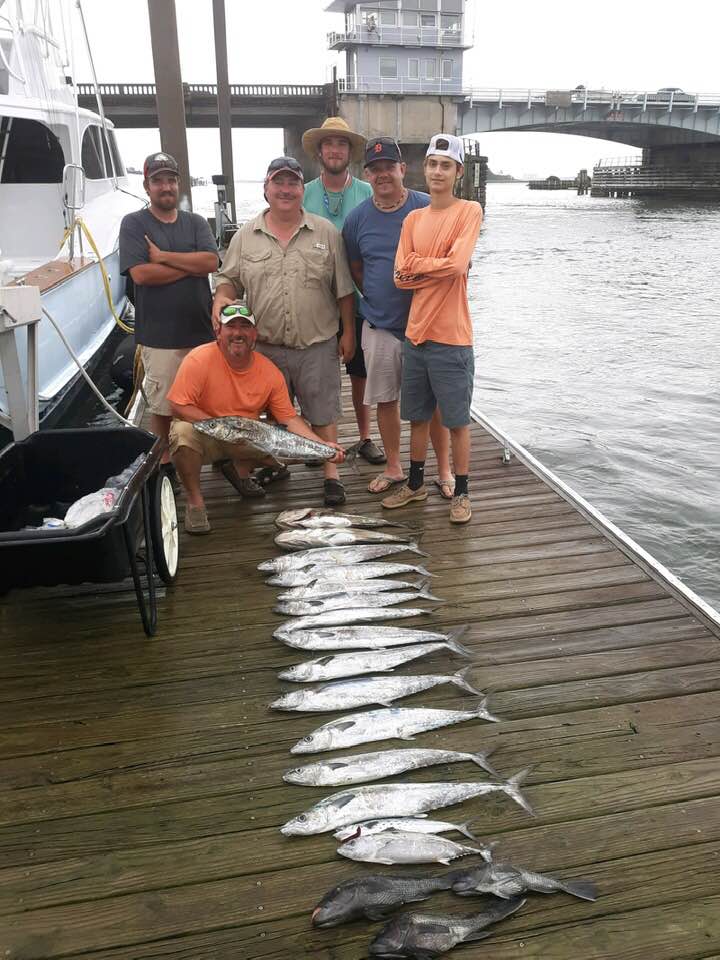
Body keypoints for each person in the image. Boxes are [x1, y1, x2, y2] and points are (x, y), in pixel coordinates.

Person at [212, 156, 355, 506]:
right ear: (266, 189)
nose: (286, 190)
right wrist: (220, 301)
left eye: (293, 183)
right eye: (279, 183)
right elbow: (229, 280)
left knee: (323, 412)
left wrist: (348, 332)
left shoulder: (326, 232)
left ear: (302, 190)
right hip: (267, 348)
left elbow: (344, 290)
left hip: (318, 343)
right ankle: (271, 464)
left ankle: (331, 474)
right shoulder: (246, 236)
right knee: (266, 416)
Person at [167, 302, 344, 534]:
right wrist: (217, 426)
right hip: (206, 434)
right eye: (231, 327)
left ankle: (239, 473)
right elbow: (177, 404)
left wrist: (322, 445)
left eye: (244, 327)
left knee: (277, 443)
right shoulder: (198, 359)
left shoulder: (269, 372)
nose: (238, 333)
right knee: (181, 434)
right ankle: (195, 503)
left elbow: (289, 418)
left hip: (244, 438)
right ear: (218, 332)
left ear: (254, 335)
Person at [342, 137, 455, 499]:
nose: (383, 175)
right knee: (386, 399)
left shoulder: (429, 207)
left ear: (403, 169)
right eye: (375, 170)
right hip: (380, 326)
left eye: (389, 167)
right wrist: (379, 293)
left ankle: (445, 470)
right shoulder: (357, 218)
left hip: (429, 327)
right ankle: (393, 466)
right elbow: (356, 267)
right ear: (367, 175)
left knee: (433, 403)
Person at [383, 134, 483, 524]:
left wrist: (420, 264)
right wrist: (438, 265)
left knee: (456, 421)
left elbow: (459, 266)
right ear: (423, 169)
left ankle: (462, 492)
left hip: (452, 339)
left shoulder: (469, 211)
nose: (438, 172)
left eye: (446, 165)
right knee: (418, 418)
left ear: (458, 171)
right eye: (432, 164)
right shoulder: (412, 219)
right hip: (415, 337)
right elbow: (397, 277)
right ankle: (415, 483)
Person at [119, 152, 219, 474]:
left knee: (205, 401)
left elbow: (211, 263)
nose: (166, 186)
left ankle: (212, 454)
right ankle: (164, 461)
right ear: (146, 186)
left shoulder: (196, 222)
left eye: (171, 180)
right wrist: (188, 265)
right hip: (159, 336)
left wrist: (163, 257)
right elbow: (141, 276)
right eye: (158, 180)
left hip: (201, 333)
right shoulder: (134, 223)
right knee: (162, 406)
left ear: (179, 184)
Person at [301, 117, 384, 467]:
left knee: (361, 372)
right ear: (319, 151)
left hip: (360, 296)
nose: (335, 150)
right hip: (316, 298)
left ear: (350, 153)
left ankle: (365, 437)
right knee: (313, 374)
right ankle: (314, 440)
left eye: (342, 144)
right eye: (329, 143)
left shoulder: (367, 192)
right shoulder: (302, 192)